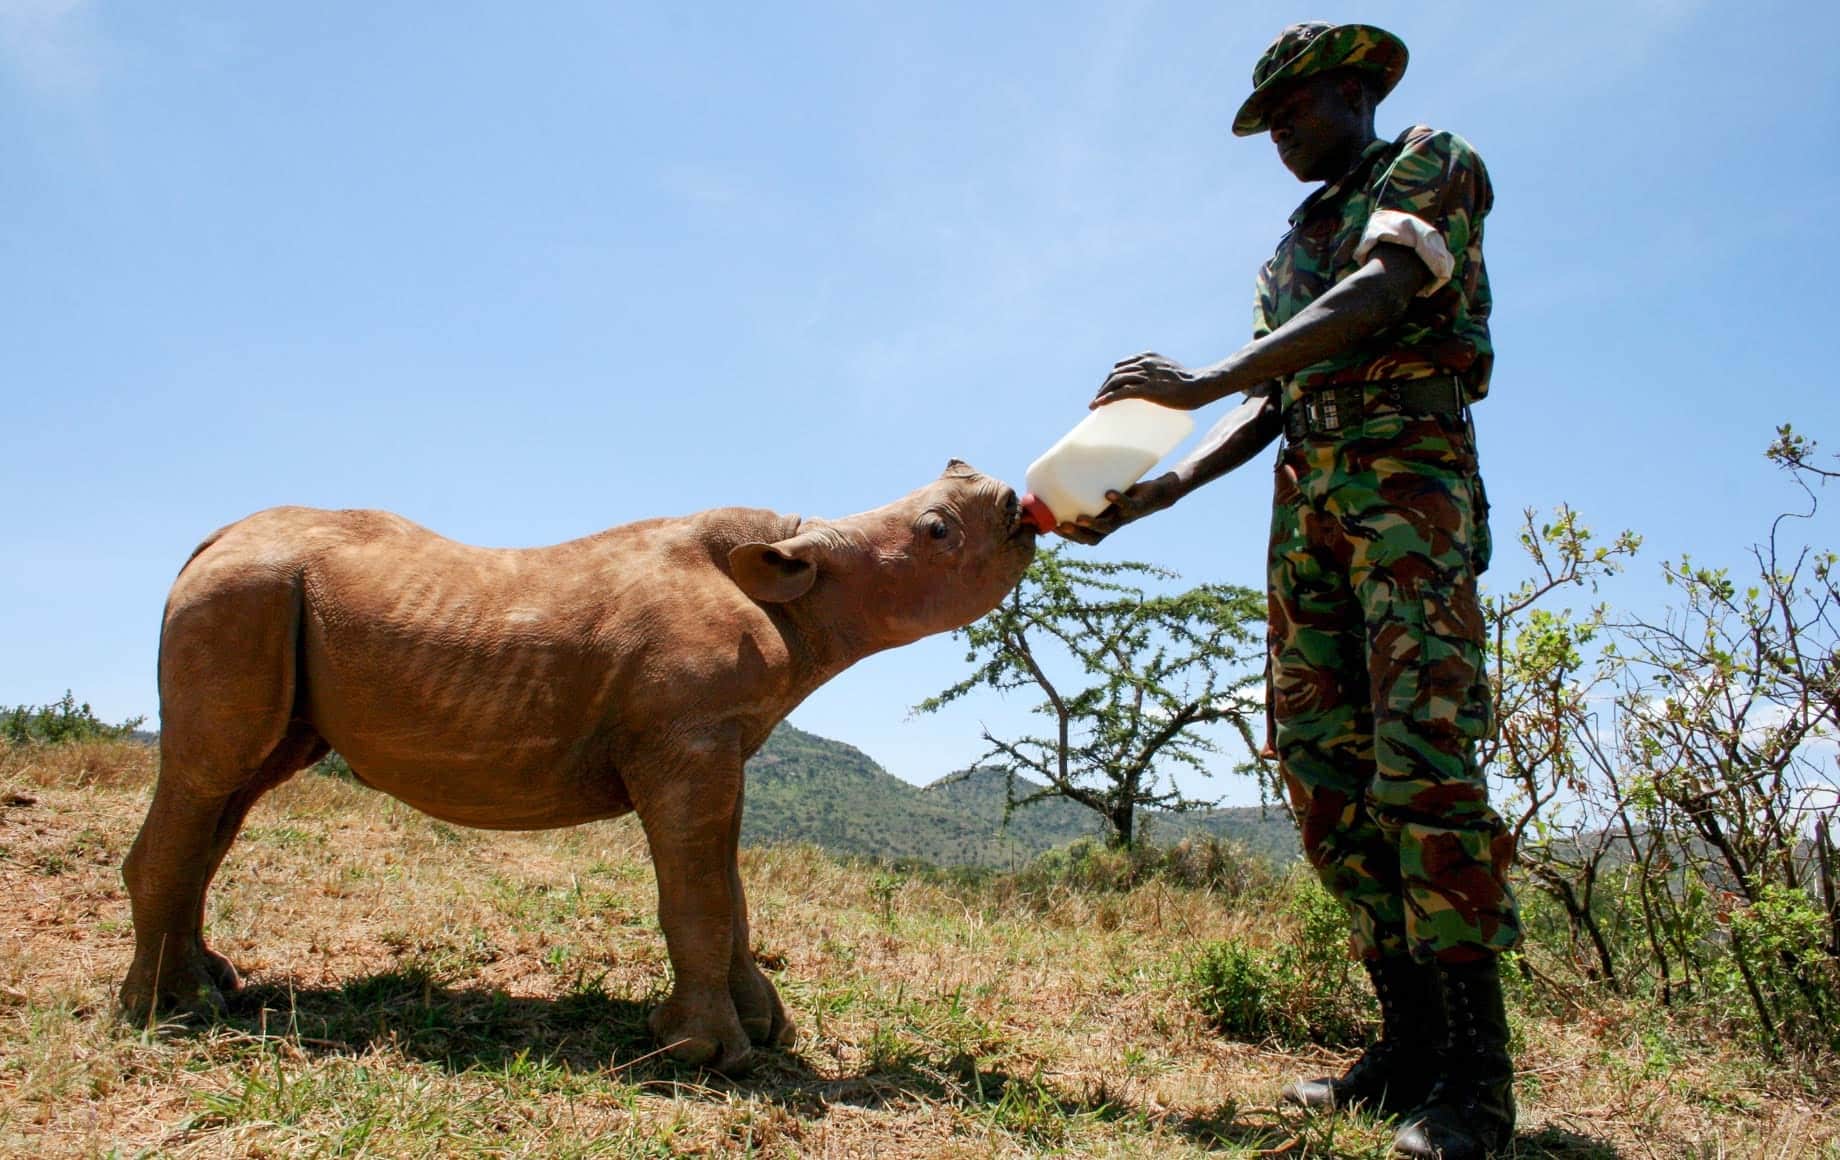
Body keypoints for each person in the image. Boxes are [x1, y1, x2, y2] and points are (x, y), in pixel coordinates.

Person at [1062, 22, 1518, 1160]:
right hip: (1308, 502)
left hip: (1406, 484)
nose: (1279, 136)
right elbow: (1272, 394)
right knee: (1320, 765)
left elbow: (1378, 296)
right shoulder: (1288, 246)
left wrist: (1205, 371)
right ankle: (1403, 1044)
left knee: (1424, 759)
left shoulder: (1426, 161)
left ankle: (1477, 1081)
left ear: (1356, 89)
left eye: (1294, 112)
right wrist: (1160, 487)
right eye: (1265, 124)